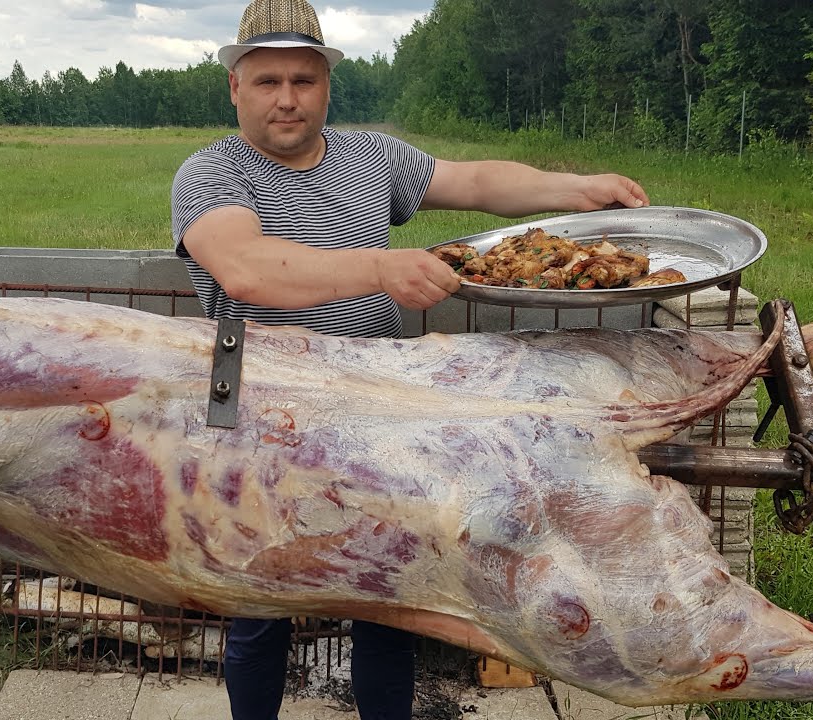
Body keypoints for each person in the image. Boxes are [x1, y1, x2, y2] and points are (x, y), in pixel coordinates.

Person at [169, 0, 651, 717]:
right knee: (259, 611)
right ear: (235, 87)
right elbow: (246, 267)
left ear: (328, 83)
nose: (288, 98)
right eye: (267, 81)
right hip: (263, 422)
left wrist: (579, 190)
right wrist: (379, 267)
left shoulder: (372, 157)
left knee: (387, 609)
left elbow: (479, 183)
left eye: (304, 78)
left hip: (380, 417)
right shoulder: (211, 173)